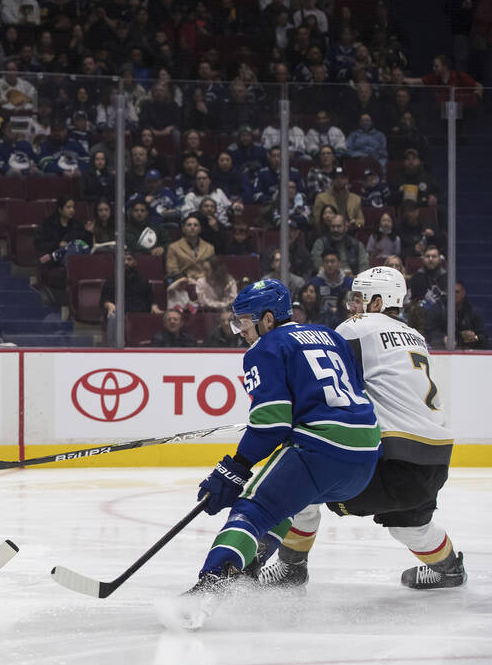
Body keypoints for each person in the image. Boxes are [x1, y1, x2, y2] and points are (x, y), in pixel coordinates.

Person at [161, 279, 380, 630]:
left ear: (266, 319)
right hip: (366, 454)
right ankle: (247, 568)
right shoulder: (331, 336)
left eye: (244, 323)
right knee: (284, 503)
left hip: (320, 449)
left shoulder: (265, 348)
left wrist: (235, 468)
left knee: (253, 509)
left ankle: (210, 586)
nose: (241, 332)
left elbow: (271, 424)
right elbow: (354, 391)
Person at [259, 267, 466, 591]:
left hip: (393, 462)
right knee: (410, 525)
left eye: (358, 298)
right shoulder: (417, 336)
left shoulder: (358, 327)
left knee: (303, 480)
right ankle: (450, 568)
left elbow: (329, 379)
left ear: (378, 301)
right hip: (434, 463)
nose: (352, 305)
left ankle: (291, 567)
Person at [102, 251, 163, 339]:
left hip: (139, 314)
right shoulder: (112, 280)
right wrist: (108, 304)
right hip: (120, 313)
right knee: (112, 317)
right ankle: (114, 350)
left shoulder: (143, 280)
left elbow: (151, 299)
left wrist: (153, 306)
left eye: (129, 259)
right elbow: (103, 299)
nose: (126, 262)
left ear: (135, 262)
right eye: (123, 260)